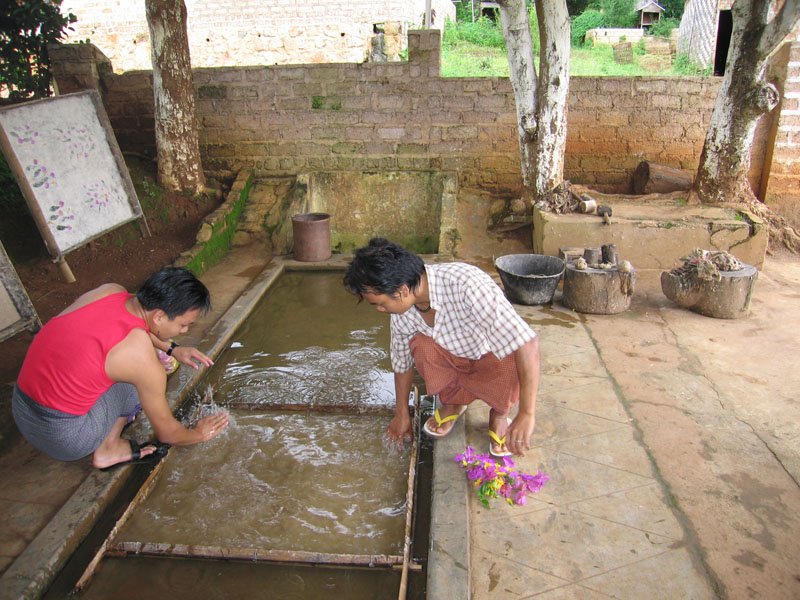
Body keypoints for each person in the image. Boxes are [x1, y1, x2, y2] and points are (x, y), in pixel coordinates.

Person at [12, 267, 230, 470]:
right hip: (63, 437)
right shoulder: (139, 358)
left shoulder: (109, 292)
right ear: (159, 316)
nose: (184, 331)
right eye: (184, 324)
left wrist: (173, 349)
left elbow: (133, 322)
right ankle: (108, 448)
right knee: (137, 382)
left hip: (21, 406)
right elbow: (168, 433)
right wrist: (199, 434)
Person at [343, 238, 540, 457]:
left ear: (402, 290)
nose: (380, 310)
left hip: (488, 359)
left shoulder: (467, 284)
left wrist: (527, 413)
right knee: (420, 345)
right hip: (454, 361)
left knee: (515, 351)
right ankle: (454, 402)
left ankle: (500, 414)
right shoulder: (402, 311)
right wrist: (402, 414)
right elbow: (402, 363)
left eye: (379, 303)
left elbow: (527, 343)